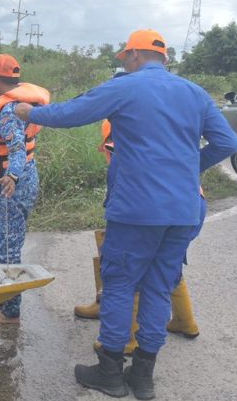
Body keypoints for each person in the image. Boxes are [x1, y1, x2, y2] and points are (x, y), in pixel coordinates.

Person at [14, 29, 237, 399]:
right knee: (158, 287)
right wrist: (187, 170)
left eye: (126, 57)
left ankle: (110, 372)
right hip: (183, 210)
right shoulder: (196, 93)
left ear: (134, 55)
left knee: (119, 284)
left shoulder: (127, 86)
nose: (126, 63)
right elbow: (227, 142)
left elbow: (72, 113)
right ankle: (143, 376)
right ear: (164, 58)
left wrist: (29, 112)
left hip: (137, 208)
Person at [77, 116, 202, 348]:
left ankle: (129, 338)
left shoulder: (124, 150)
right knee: (167, 266)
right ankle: (186, 321)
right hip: (191, 206)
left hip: (157, 209)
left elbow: (118, 189)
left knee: (128, 268)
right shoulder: (161, 141)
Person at [0, 53, 51, 323]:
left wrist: (12, 176)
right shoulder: (19, 104)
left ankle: (11, 312)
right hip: (21, 181)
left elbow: (17, 148)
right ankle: (3, 299)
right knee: (6, 244)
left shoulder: (7, 112)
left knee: (6, 250)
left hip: (13, 186)